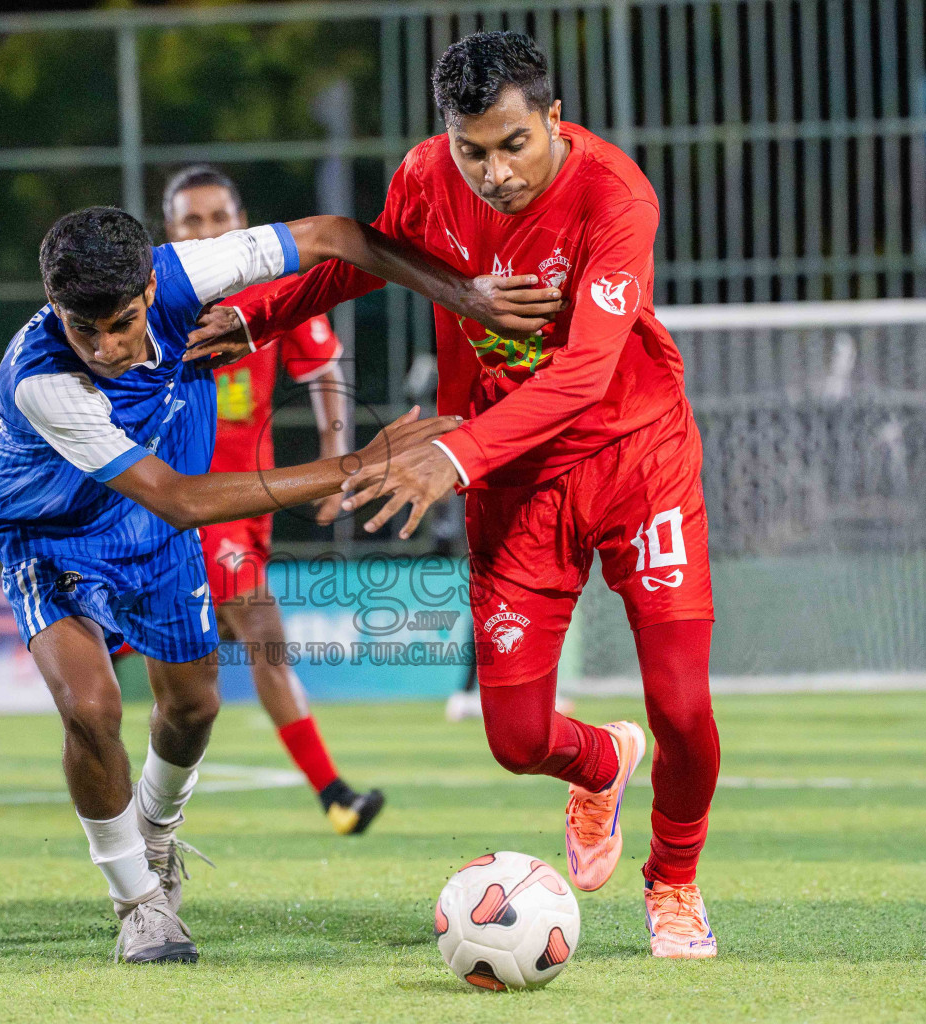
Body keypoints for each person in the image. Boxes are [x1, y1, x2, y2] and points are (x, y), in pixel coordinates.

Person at [188, 32, 720, 959]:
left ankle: (673, 883)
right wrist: (258, 315)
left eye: (514, 144)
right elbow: (369, 262)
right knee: (514, 739)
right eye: (472, 148)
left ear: (553, 120)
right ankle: (601, 764)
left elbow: (589, 373)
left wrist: (459, 452)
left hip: (637, 461)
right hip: (514, 484)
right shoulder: (428, 176)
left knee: (680, 705)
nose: (493, 171)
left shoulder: (614, 196)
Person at [0, 205, 559, 964]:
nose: (107, 347)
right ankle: (139, 904)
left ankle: (155, 838)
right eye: (86, 329)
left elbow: (335, 236)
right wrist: (357, 465)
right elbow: (179, 495)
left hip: (151, 538)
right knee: (91, 707)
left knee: (193, 708)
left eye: (120, 323)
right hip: (50, 537)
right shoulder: (40, 379)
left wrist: (467, 296)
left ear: (150, 286)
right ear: (57, 309)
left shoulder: (185, 273)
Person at [161, 165, 384, 835]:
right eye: (190, 221)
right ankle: (335, 796)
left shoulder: (270, 290)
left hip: (248, 504)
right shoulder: (154, 301)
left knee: (190, 666)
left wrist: (334, 454)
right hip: (189, 507)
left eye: (218, 217)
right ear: (168, 233)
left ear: (241, 221)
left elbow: (322, 364)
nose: (206, 231)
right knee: (261, 634)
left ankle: (149, 815)